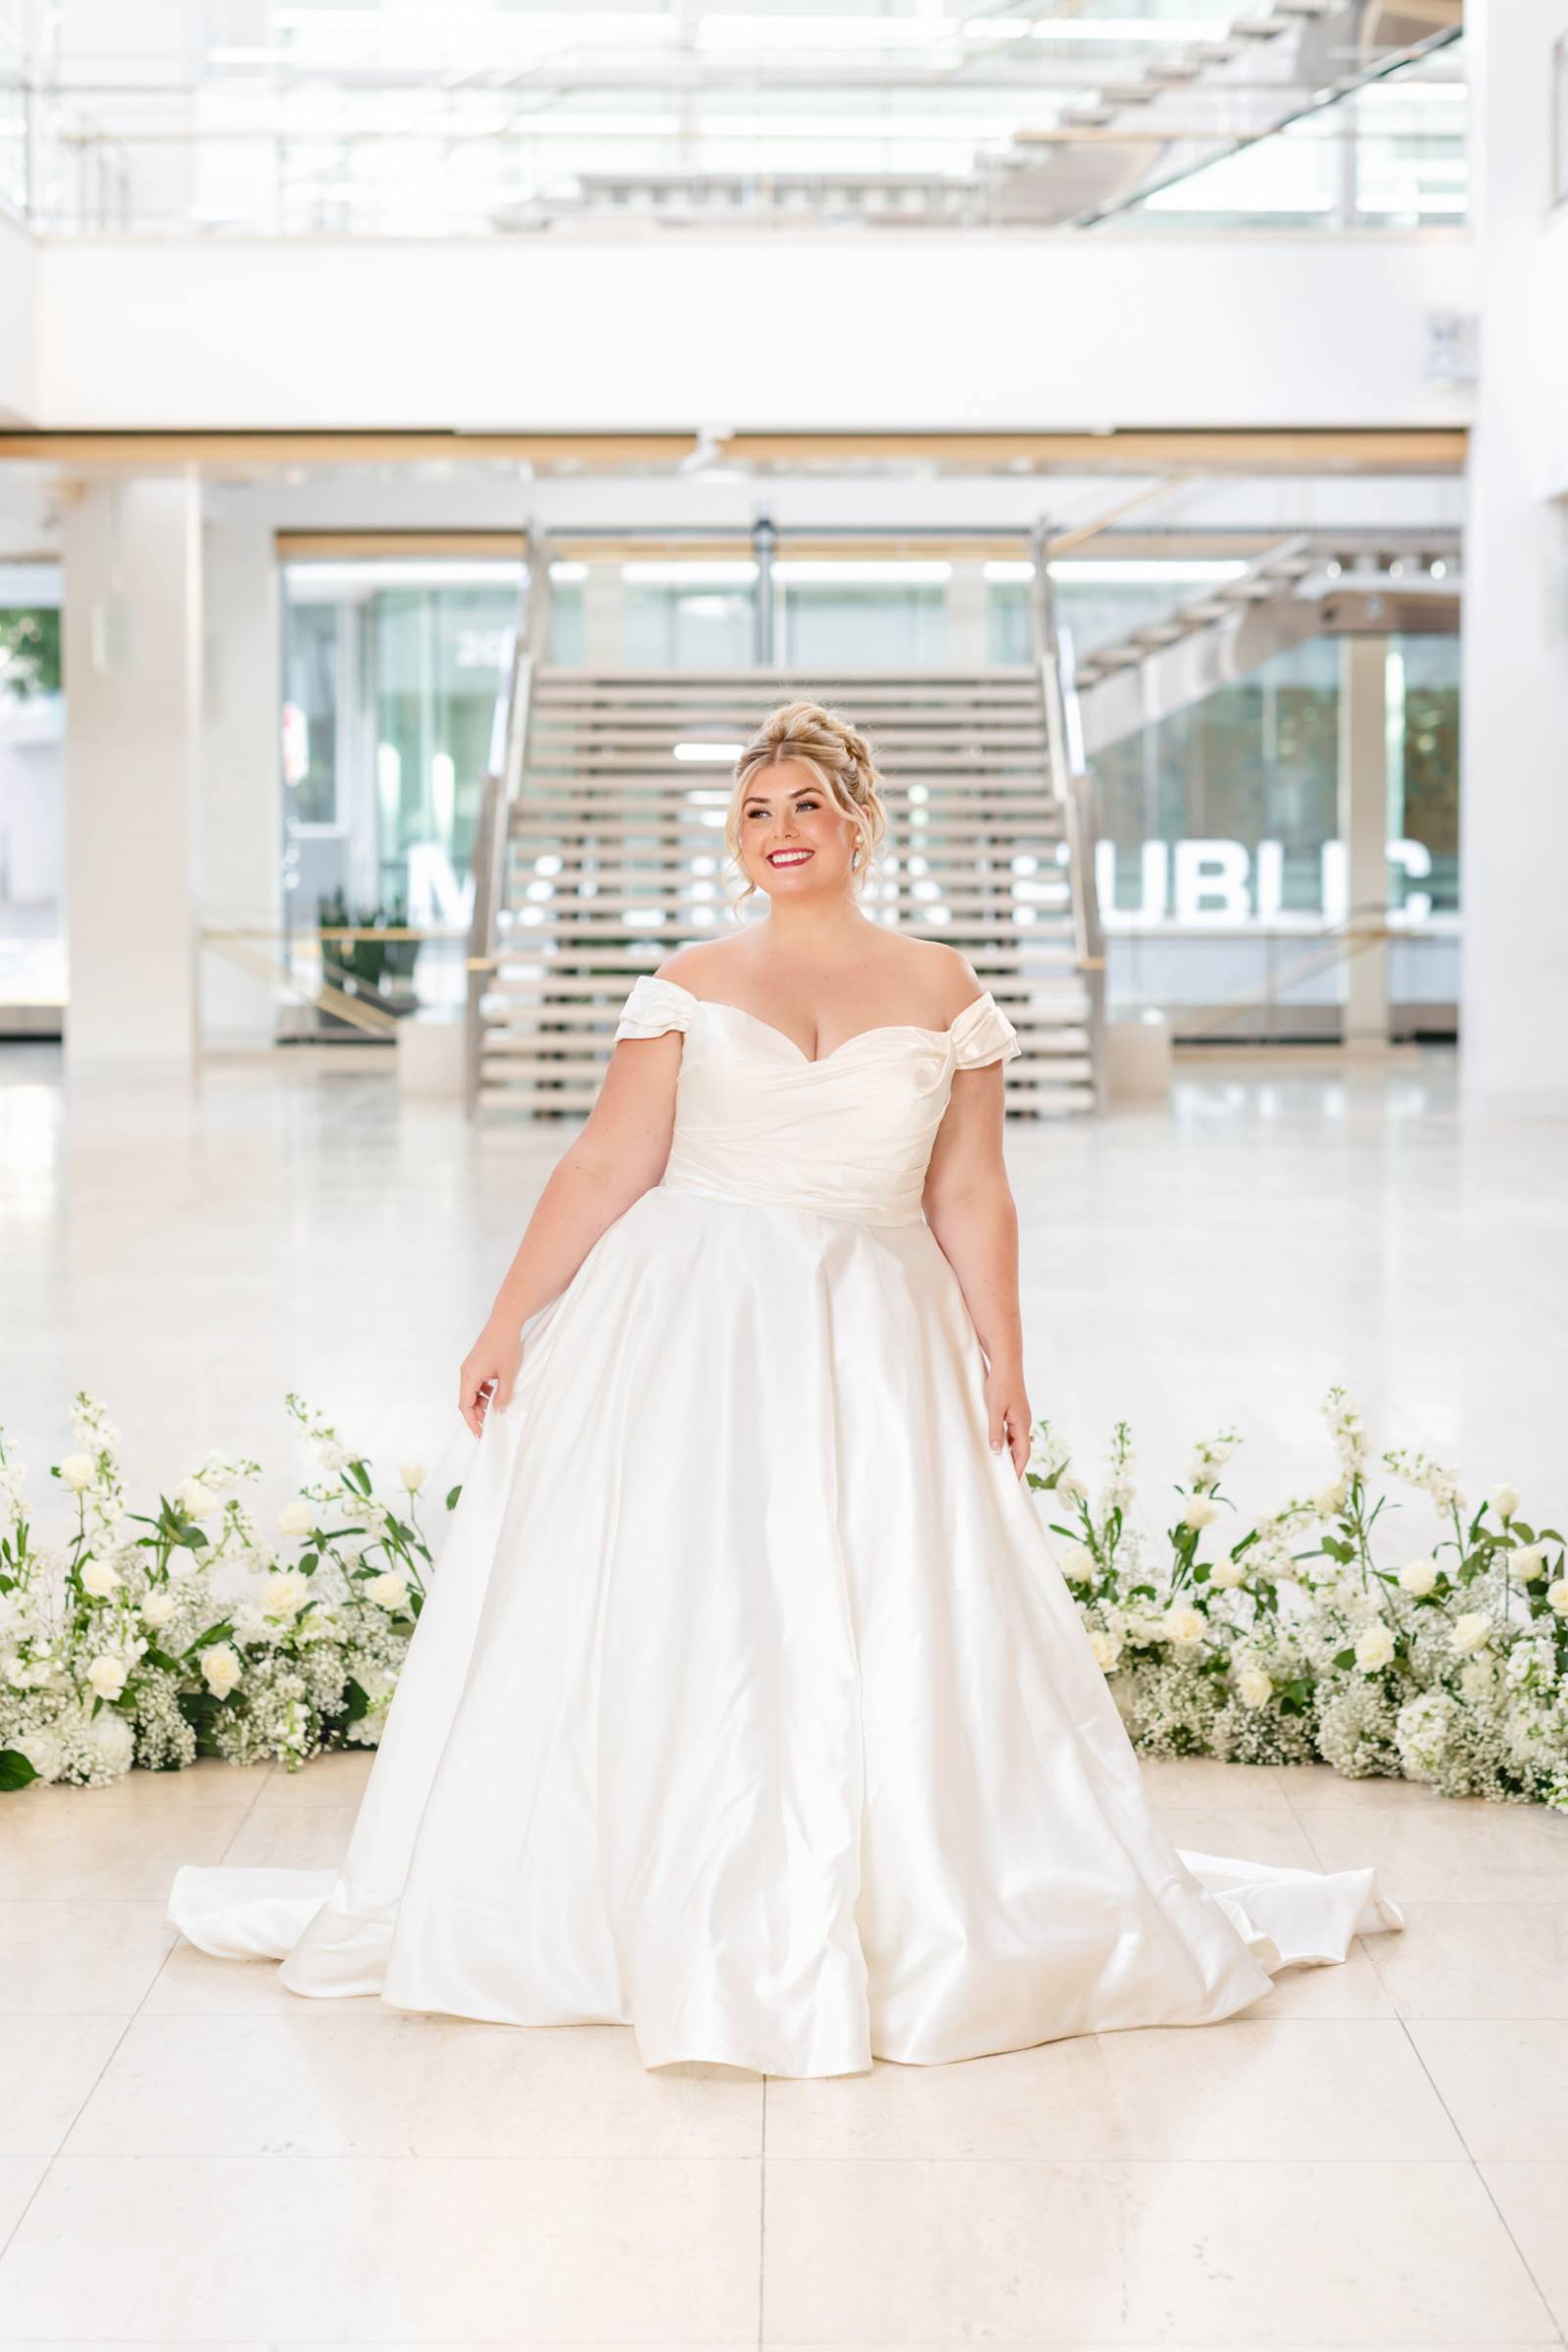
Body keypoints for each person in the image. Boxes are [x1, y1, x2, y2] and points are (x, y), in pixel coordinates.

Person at [168, 698, 1400, 2078]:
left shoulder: (943, 989)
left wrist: (1004, 1353)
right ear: (735, 842)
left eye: (806, 802)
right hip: (691, 1317)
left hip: (875, 1325)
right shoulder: (689, 984)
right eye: (756, 811)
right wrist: (510, 1318)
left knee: (877, 1591)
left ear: (861, 823)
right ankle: (650, 1874)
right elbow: (607, 1161)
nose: (781, 828)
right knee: (692, 1586)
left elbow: (972, 1190)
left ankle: (903, 1888)